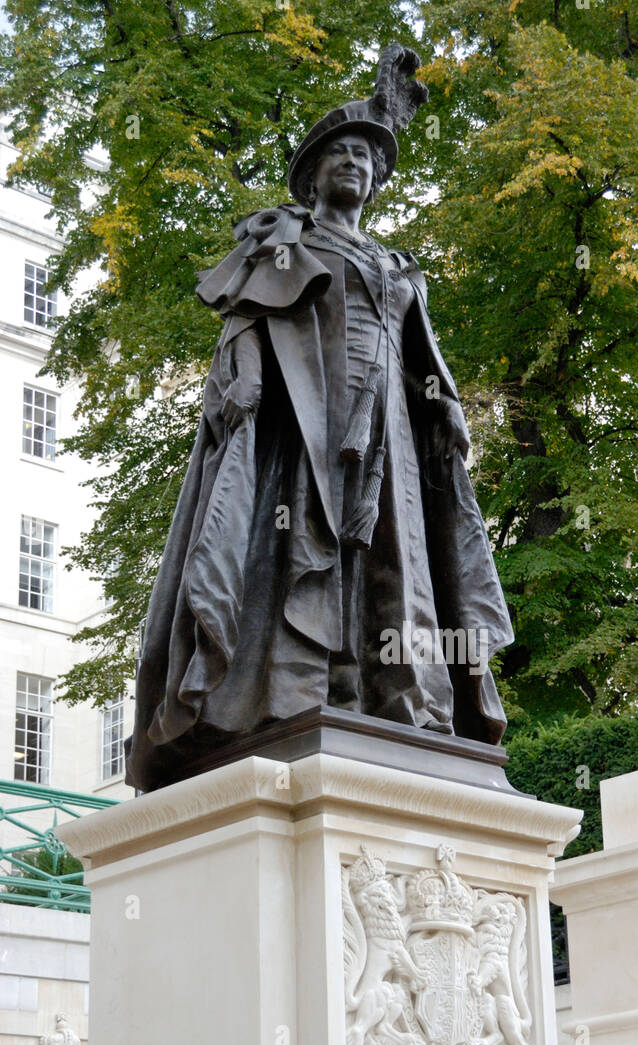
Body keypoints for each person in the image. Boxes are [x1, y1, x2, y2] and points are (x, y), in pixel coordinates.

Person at [124, 45, 513, 792]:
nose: (355, 165)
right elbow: (247, 322)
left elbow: (417, 355)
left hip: (391, 428)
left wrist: (446, 413)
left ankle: (406, 702)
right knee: (306, 542)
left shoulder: (398, 265)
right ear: (313, 174)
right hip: (306, 420)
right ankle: (306, 693)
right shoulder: (285, 242)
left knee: (401, 558)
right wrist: (238, 378)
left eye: (367, 158)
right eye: (340, 154)